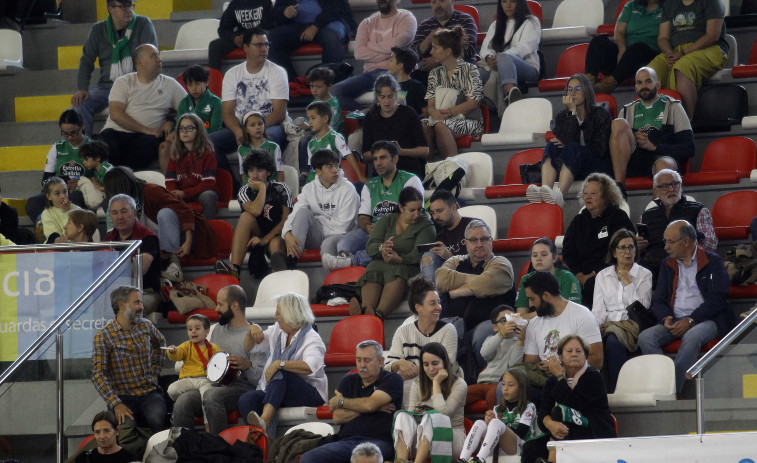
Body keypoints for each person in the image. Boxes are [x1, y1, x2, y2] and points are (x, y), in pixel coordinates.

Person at [638, 220, 732, 394]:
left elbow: (718, 299)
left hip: (706, 319)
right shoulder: (668, 264)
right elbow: (658, 300)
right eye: (665, 241)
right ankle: (662, 383)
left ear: (686, 241)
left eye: (670, 242)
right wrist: (666, 317)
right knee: (646, 337)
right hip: (674, 319)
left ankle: (673, 391)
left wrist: (691, 320)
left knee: (692, 337)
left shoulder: (713, 261)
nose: (665, 247)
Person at [171, 285, 267, 434]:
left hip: (242, 388)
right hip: (213, 384)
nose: (216, 309)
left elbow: (260, 380)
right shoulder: (216, 330)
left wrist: (247, 365)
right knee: (183, 401)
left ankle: (218, 447)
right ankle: (184, 450)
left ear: (234, 306)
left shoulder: (255, 333)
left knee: (211, 395)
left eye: (220, 304)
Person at [104, 166, 218, 282]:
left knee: (165, 213)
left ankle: (174, 264)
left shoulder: (151, 191)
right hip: (154, 240)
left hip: (181, 234)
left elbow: (184, 210)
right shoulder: (118, 204)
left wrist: (188, 241)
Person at [325, 141, 423, 272]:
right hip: (375, 232)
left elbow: (413, 214)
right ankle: (348, 281)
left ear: (395, 159)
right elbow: (363, 217)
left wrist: (384, 228)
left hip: (401, 230)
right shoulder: (370, 185)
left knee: (392, 248)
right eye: (375, 159)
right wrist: (368, 227)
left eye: (383, 158)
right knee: (344, 243)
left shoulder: (410, 180)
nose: (378, 163)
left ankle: (353, 261)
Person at [299, 340, 403, 463]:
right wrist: (375, 408)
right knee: (308, 458)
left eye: (367, 360)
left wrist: (342, 402)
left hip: (378, 442)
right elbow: (337, 417)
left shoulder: (392, 379)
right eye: (358, 360)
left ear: (380, 361)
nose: (362, 365)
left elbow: (369, 405)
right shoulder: (348, 380)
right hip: (346, 441)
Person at [239, 292, 327, 436]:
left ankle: (264, 422)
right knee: (246, 399)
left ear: (290, 316)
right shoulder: (278, 330)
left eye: (278, 313)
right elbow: (250, 347)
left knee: (281, 371)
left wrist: (280, 363)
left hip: (309, 394)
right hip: (276, 391)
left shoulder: (312, 338)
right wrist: (251, 331)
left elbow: (310, 367)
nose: (275, 316)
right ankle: (262, 440)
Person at [521, 335, 616, 463]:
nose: (574, 354)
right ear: (561, 356)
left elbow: (574, 403)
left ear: (586, 356)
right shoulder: (552, 381)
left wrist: (560, 376)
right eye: (569, 351)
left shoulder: (594, 377)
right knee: (530, 447)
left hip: (593, 430)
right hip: (563, 432)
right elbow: (544, 411)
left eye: (579, 351)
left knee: (560, 412)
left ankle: (552, 459)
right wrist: (550, 424)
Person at [436, 219, 515, 372]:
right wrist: (478, 281)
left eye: (484, 239)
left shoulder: (501, 263)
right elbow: (441, 280)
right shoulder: (455, 261)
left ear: (491, 241)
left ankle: (483, 377)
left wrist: (457, 290)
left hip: (490, 324)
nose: (479, 244)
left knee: (481, 335)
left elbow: (492, 281)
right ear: (466, 242)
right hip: (456, 324)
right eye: (473, 240)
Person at [72, 0, 157, 137]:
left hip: (136, 85)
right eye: (122, 6)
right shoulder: (98, 30)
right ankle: (85, 151)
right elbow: (87, 60)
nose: (128, 9)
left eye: (129, 5)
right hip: (107, 86)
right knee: (80, 105)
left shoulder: (143, 24)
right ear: (110, 8)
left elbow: (151, 59)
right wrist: (82, 88)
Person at [211, 27, 289, 176]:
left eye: (266, 45)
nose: (264, 49)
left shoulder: (277, 72)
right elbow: (227, 112)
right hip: (241, 127)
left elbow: (279, 112)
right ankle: (233, 186)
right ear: (245, 47)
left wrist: (255, 128)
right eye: (259, 45)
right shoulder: (232, 74)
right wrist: (239, 131)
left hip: (270, 125)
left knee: (267, 140)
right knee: (210, 142)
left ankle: (269, 186)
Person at [350, 186, 435, 320]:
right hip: (381, 264)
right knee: (373, 268)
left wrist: (400, 259)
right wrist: (382, 248)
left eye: (420, 209)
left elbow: (420, 255)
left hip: (408, 268)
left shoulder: (426, 226)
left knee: (398, 272)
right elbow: (370, 246)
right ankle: (366, 311)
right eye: (412, 210)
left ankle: (377, 316)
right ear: (401, 208)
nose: (417, 214)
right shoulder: (387, 220)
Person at [527, 74, 612, 207]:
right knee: (552, 145)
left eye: (578, 89)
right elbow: (563, 139)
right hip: (572, 167)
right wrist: (572, 114)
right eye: (569, 89)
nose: (572, 93)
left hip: (597, 165)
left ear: (586, 91)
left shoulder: (600, 114)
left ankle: (560, 194)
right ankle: (546, 191)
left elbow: (600, 150)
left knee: (572, 147)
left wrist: (573, 111)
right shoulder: (562, 116)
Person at [98, 44, 186, 171]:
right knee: (102, 148)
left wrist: (172, 122)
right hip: (115, 132)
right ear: (140, 62)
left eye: (158, 56)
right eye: (153, 56)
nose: (159, 59)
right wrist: (146, 129)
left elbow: (190, 109)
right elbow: (116, 114)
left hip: (147, 138)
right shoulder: (123, 82)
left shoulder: (170, 84)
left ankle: (123, 179)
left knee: (149, 146)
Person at [91, 286, 166, 433]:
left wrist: (155, 371)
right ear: (121, 305)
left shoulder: (146, 325)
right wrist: (115, 403)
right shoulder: (104, 335)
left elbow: (161, 343)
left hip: (149, 392)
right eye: (137, 303)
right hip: (122, 397)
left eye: (141, 302)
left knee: (157, 420)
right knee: (126, 430)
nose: (142, 307)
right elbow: (98, 374)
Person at [609, 67, 694, 187]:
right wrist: (633, 138)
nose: (644, 86)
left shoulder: (673, 106)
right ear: (635, 87)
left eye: (648, 81)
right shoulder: (626, 110)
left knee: (664, 165)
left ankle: (659, 204)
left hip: (661, 157)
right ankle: (620, 190)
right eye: (639, 83)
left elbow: (689, 148)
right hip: (635, 159)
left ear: (658, 85)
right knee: (618, 123)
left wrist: (655, 147)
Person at [592, 229, 653, 393]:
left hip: (632, 323)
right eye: (622, 248)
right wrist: (594, 329)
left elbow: (642, 308)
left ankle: (617, 391)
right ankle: (599, 392)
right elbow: (598, 309)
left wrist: (628, 283)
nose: (627, 252)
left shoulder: (644, 275)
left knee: (613, 340)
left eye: (631, 247)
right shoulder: (603, 276)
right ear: (614, 251)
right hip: (607, 324)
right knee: (594, 342)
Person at [562, 173, 635, 308]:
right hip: (580, 273)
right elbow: (568, 250)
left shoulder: (618, 217)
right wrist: (578, 273)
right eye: (585, 193)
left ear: (606, 196)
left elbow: (621, 251)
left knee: (592, 284)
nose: (588, 196)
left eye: (593, 193)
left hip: (609, 272)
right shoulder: (579, 220)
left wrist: (593, 274)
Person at [217, 149, 292, 279]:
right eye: (251, 171)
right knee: (246, 216)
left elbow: (286, 220)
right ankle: (235, 271)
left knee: (276, 244)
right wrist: (262, 189)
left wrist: (265, 240)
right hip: (255, 233)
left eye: (259, 170)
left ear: (268, 172)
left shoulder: (281, 189)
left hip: (277, 232)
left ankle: (277, 285)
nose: (255, 176)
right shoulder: (244, 191)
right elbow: (256, 211)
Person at [384, 275, 458, 406]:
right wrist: (400, 363)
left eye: (439, 302)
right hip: (409, 383)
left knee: (410, 386)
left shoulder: (448, 330)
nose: (439, 307)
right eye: (432, 303)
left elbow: (447, 365)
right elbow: (388, 365)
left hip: (441, 384)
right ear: (418, 307)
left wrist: (412, 370)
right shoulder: (403, 331)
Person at [330, 0, 417, 110]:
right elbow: (359, 53)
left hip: (396, 72)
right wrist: (389, 54)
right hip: (369, 74)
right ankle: (365, 120)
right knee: (334, 92)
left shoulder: (407, 18)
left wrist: (369, 45)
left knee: (394, 94)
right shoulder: (366, 23)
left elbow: (399, 44)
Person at [521, 272, 603, 388]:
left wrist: (560, 368)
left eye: (532, 298)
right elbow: (530, 362)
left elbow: (596, 360)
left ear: (546, 296)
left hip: (579, 381)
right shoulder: (534, 323)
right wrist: (542, 366)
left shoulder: (582, 315)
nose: (530, 304)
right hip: (545, 382)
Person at [646, 0, 728, 116]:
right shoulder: (670, 4)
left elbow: (712, 35)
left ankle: (686, 125)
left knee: (682, 66)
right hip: (675, 51)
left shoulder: (712, 2)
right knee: (649, 72)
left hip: (710, 49)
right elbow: (662, 38)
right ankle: (652, 123)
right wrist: (669, 53)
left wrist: (683, 53)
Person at [282, 149, 359, 268]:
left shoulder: (349, 189)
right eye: (329, 167)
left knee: (327, 245)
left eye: (336, 165)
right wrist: (287, 234)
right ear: (318, 171)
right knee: (303, 212)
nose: (335, 170)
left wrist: (318, 221)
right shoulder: (309, 188)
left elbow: (343, 227)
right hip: (319, 234)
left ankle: (329, 285)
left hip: (341, 236)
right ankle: (291, 264)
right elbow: (295, 213)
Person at [638, 168, 717, 281]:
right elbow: (640, 252)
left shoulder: (698, 210)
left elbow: (711, 244)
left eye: (675, 184)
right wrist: (638, 247)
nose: (671, 189)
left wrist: (687, 250)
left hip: (686, 265)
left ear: (681, 186)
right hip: (653, 268)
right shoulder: (646, 216)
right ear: (656, 190)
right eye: (665, 186)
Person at [393, 342, 468, 461]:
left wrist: (436, 383)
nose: (431, 369)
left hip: (452, 435)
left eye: (435, 363)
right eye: (426, 365)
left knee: (431, 418)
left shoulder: (459, 384)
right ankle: (401, 460)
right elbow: (411, 414)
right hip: (422, 436)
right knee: (402, 416)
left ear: (444, 362)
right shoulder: (417, 383)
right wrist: (418, 411)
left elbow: (443, 414)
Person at [422, 26, 484, 159]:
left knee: (440, 126)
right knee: (424, 125)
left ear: (448, 51)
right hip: (441, 118)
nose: (431, 52)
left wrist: (449, 113)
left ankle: (452, 172)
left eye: (435, 48)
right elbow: (431, 104)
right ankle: (429, 168)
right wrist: (435, 113)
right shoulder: (434, 73)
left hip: (469, 120)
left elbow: (473, 103)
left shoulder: (470, 70)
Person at [458, 368, 537, 463]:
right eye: (503, 384)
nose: (505, 388)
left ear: (521, 388)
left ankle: (480, 459)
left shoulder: (529, 406)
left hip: (520, 446)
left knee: (496, 423)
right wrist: (489, 424)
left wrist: (497, 425)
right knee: (480, 423)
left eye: (511, 385)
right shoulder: (497, 408)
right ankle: (463, 459)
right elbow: (493, 433)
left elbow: (521, 432)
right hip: (497, 446)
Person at [478, 0, 541, 115]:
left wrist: (501, 59)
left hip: (528, 68)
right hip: (497, 65)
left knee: (505, 57)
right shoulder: (495, 25)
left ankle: (511, 99)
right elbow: (485, 49)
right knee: (476, 74)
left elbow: (525, 47)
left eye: (512, 1)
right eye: (504, 2)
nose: (508, 5)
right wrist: (489, 57)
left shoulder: (531, 22)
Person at [268, 0, 356, 80]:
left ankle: (328, 83)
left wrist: (316, 26)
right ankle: (293, 83)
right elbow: (276, 13)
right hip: (298, 25)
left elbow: (337, 8)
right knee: (270, 40)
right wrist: (285, 12)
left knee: (332, 36)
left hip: (330, 21)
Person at [361, 75, 429, 179]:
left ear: (396, 95)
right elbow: (365, 155)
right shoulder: (370, 117)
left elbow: (425, 151)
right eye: (382, 97)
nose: (386, 101)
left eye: (390, 96)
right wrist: (383, 152)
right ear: (377, 97)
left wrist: (400, 151)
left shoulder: (408, 113)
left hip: (408, 170)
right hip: (382, 173)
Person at [26, 109, 89, 222]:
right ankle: (46, 228)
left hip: (81, 192)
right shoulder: (57, 147)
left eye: (73, 132)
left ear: (82, 126)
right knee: (33, 202)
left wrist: (80, 181)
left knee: (72, 199)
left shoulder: (92, 146)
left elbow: (100, 177)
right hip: (58, 191)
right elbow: (45, 180)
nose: (69, 137)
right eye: (65, 133)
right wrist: (60, 184)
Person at [587, 0, 662, 94]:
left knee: (637, 48)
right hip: (624, 56)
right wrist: (622, 50)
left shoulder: (667, 8)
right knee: (598, 40)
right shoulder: (631, 6)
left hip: (647, 57)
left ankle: (607, 85)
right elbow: (619, 32)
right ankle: (587, 84)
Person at [103, 194, 161, 313]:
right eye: (114, 213)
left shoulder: (148, 238)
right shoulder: (108, 240)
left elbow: (138, 270)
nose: (119, 217)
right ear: (110, 217)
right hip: (114, 293)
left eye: (124, 211)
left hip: (145, 292)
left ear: (134, 213)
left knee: (127, 308)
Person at [465, 306, 527, 413]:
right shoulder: (492, 339)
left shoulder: (518, 342)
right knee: (461, 395)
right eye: (504, 320)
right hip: (482, 382)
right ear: (494, 327)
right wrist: (501, 334)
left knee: (493, 396)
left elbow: (514, 365)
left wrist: (520, 342)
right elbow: (485, 353)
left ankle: (494, 425)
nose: (509, 323)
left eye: (512, 320)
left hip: (499, 383)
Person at [165, 113, 219, 219]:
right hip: (181, 194)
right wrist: (175, 193)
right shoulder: (175, 154)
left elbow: (208, 183)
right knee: (167, 198)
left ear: (198, 131)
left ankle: (208, 230)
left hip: (202, 192)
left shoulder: (208, 153)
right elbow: (170, 181)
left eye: (189, 128)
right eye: (181, 128)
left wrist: (184, 193)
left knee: (208, 196)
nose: (184, 131)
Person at [514, 238, 582, 320]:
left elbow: (569, 312)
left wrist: (541, 312)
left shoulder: (567, 278)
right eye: (535, 255)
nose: (538, 258)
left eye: (544, 254)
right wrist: (547, 311)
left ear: (554, 258)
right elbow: (521, 317)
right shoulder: (526, 279)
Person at [411, 0, 478, 80]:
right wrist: (428, 41)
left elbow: (469, 49)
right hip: (428, 74)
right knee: (407, 84)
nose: (438, 5)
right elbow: (412, 56)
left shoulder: (465, 20)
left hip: (460, 71)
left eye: (442, 1)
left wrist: (439, 61)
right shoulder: (425, 25)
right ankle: (400, 93)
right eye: (434, 2)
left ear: (452, 1)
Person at [420, 188, 474, 284]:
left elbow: (480, 259)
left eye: (439, 211)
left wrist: (450, 256)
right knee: (428, 257)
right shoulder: (440, 236)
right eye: (433, 213)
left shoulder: (473, 226)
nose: (435, 217)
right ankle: (433, 296)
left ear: (453, 208)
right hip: (448, 281)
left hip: (472, 277)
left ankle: (434, 297)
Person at [165, 313, 219, 401]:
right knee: (171, 390)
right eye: (190, 329)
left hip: (205, 380)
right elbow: (178, 355)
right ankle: (183, 402)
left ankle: (206, 414)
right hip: (188, 379)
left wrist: (223, 356)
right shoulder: (186, 346)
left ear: (207, 331)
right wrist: (173, 351)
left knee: (208, 397)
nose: (193, 331)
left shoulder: (214, 347)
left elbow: (220, 361)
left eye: (197, 328)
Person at [304, 101, 360, 184]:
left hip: (333, 180)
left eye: (313, 118)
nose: (310, 122)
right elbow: (312, 168)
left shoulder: (335, 137)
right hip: (315, 183)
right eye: (309, 119)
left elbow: (349, 156)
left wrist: (360, 176)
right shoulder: (311, 143)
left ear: (325, 119)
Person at [209, 0, 273, 71]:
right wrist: (234, 38)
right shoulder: (235, 3)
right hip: (241, 39)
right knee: (215, 45)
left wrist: (256, 37)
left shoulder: (266, 2)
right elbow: (223, 29)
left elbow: (271, 27)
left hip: (261, 38)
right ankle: (214, 79)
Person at [237, 110, 285, 184]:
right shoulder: (241, 149)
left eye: (260, 124)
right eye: (252, 125)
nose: (257, 127)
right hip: (250, 188)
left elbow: (280, 172)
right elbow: (243, 174)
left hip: (270, 188)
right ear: (246, 129)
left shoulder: (274, 147)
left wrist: (278, 190)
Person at [41, 177, 82, 244]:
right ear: (49, 197)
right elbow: (57, 239)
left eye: (65, 192)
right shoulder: (47, 214)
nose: (63, 196)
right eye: (57, 193)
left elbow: (78, 236)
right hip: (56, 249)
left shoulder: (77, 210)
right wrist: (65, 213)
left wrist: (67, 211)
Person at [387, 47, 427, 116]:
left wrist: (412, 122)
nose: (387, 63)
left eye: (391, 60)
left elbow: (426, 111)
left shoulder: (416, 86)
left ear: (400, 66)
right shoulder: (390, 86)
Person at [78, 140, 114, 211]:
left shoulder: (108, 170)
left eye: (86, 159)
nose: (83, 162)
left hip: (115, 195)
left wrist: (100, 187)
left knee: (105, 203)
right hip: (107, 194)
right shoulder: (95, 171)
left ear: (97, 158)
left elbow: (114, 187)